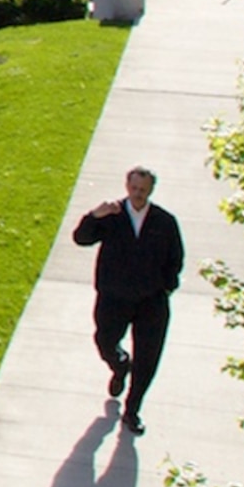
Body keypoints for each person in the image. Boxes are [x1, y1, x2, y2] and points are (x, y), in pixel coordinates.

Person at [72, 167, 184, 434]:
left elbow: (175, 259)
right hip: (113, 298)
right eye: (134, 188)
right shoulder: (112, 215)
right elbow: (81, 238)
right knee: (105, 340)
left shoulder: (164, 222)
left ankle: (132, 410)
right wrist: (93, 216)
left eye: (143, 189)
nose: (138, 194)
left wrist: (166, 288)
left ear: (151, 190)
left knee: (148, 357)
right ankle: (120, 364)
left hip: (151, 302)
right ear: (127, 186)